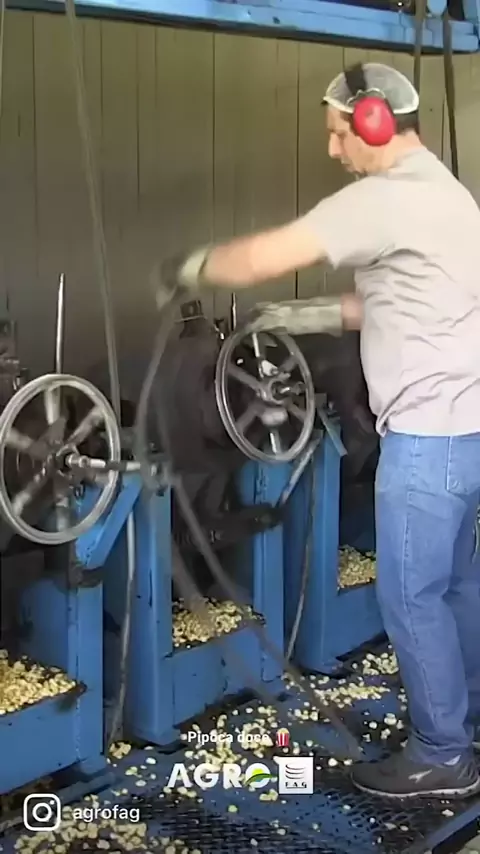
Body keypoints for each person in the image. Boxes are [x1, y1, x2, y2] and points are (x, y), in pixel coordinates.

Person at [156, 62, 480, 799]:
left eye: (338, 133)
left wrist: (188, 266)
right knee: (459, 584)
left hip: (425, 441)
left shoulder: (384, 198)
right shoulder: (448, 194)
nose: (333, 149)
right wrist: (306, 315)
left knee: (412, 598)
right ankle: (467, 720)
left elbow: (263, 256)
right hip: (468, 431)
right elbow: (398, 299)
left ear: (373, 122)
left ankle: (443, 755)